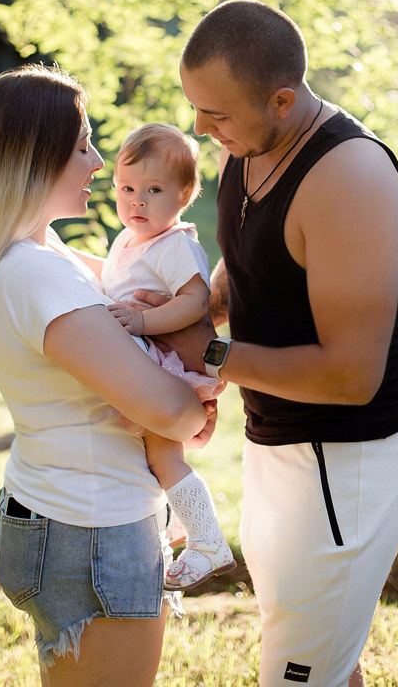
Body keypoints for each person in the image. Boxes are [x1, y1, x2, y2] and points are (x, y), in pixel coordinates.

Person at [141, 0, 398, 687]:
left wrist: (208, 353)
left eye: (216, 114)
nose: (200, 128)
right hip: (280, 436)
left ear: (281, 100)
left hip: (351, 454)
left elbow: (351, 377)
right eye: (195, 108)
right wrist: (196, 310)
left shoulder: (348, 180)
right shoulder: (247, 145)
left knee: (297, 671)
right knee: (315, 645)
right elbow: (252, 259)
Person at [0, 64, 211, 687]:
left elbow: (143, 291)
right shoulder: (37, 274)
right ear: (33, 160)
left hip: (68, 511)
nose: (99, 164)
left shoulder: (37, 254)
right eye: (82, 147)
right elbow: (173, 413)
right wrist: (197, 401)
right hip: (91, 527)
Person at [100, 123, 235, 590]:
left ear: (184, 196)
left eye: (153, 190)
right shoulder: (126, 240)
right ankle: (178, 518)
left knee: (164, 455)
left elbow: (195, 303)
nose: (137, 201)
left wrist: (142, 322)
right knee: (151, 455)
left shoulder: (176, 244)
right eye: (127, 188)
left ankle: (208, 541)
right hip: (147, 363)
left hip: (169, 367)